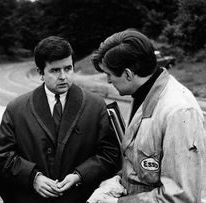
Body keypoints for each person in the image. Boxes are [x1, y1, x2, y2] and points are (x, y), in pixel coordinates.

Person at [0, 36, 121, 203]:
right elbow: (2, 155)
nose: (63, 76)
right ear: (40, 73)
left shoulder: (95, 105)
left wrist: (79, 175)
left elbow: (110, 154)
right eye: (55, 71)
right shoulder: (16, 109)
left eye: (68, 68)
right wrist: (33, 177)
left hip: (81, 198)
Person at [87, 29, 206, 203]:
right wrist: (118, 180)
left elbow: (182, 198)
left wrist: (118, 202)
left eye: (109, 74)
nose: (108, 81)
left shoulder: (178, 112)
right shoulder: (142, 93)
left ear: (128, 74)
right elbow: (144, 167)